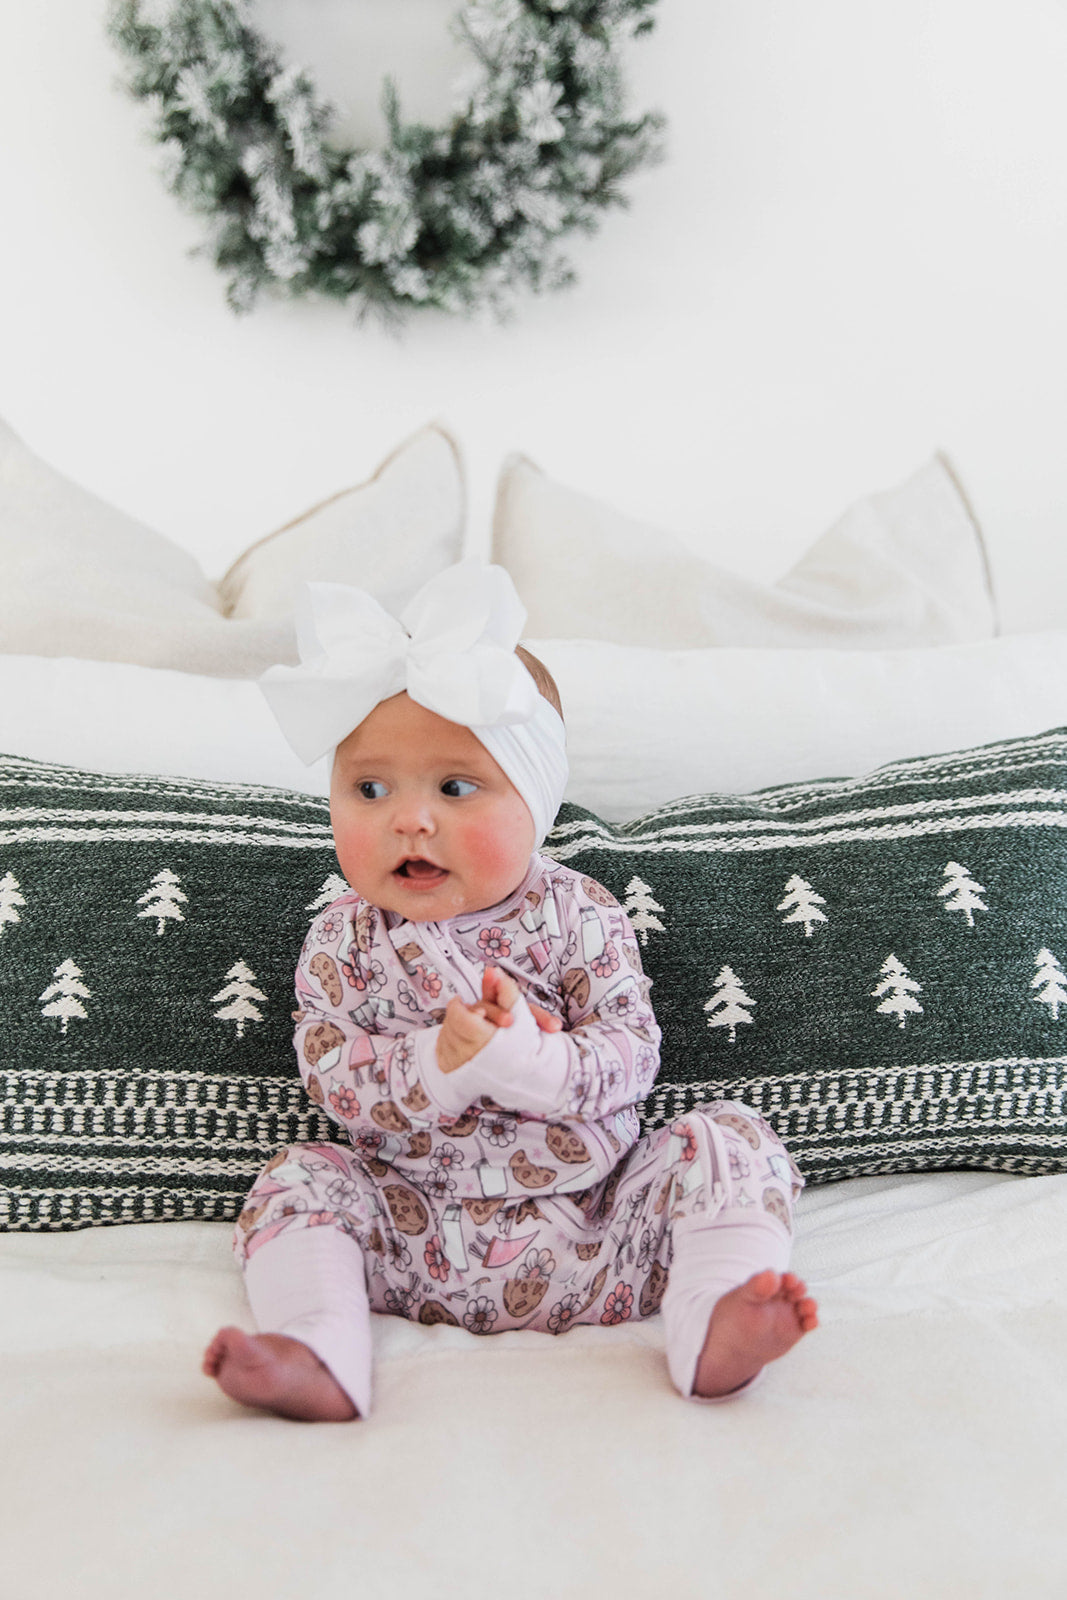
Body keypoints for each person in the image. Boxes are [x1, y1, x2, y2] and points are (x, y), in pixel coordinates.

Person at [203, 562, 817, 1421]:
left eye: (455, 788)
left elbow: (631, 1055)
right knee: (300, 1178)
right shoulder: (344, 934)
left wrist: (526, 1058)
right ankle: (317, 1342)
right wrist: (438, 1064)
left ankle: (717, 1311)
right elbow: (331, 1070)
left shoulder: (578, 913)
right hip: (413, 1230)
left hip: (599, 1226)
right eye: (369, 788)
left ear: (535, 802)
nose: (409, 819)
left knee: (726, 1140)